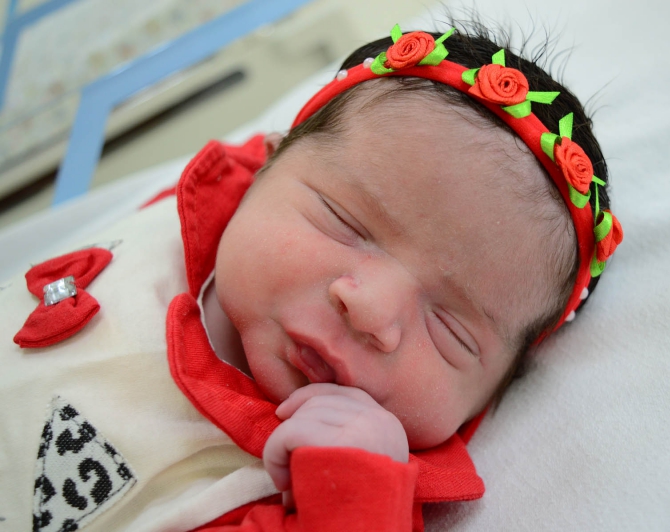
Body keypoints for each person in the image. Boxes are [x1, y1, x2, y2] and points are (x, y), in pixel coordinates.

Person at [0, 22, 622, 532]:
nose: (372, 311)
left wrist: (352, 495)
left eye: (451, 329)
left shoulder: (307, 487)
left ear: (490, 396)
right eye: (344, 222)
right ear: (265, 167)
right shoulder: (198, 212)